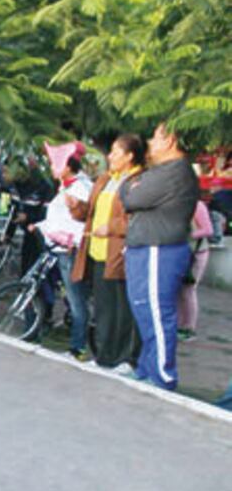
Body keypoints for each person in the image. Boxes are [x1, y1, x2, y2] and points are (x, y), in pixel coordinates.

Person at [119, 122, 200, 389]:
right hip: (147, 248)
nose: (150, 143)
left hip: (159, 249)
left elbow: (131, 198)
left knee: (157, 312)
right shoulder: (163, 171)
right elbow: (132, 193)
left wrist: (131, 185)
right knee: (144, 310)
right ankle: (146, 366)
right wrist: (133, 186)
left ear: (170, 141)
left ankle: (163, 376)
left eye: (155, 138)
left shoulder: (175, 173)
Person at [71, 134, 144, 371]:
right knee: (103, 309)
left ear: (130, 156)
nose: (110, 156)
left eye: (115, 152)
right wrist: (78, 208)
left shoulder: (138, 182)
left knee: (122, 310)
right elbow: (92, 213)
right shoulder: (105, 179)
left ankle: (125, 358)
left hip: (120, 256)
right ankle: (104, 355)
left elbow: (137, 220)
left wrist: (110, 228)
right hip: (97, 252)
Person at [34, 146, 92, 358]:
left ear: (67, 166)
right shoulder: (67, 186)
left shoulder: (80, 188)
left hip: (70, 251)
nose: (51, 167)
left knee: (77, 302)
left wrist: (70, 239)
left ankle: (78, 348)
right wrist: (40, 225)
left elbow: (82, 222)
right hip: (59, 249)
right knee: (72, 298)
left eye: (54, 163)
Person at [177, 199, 213, 341]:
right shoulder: (175, 203)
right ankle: (179, 324)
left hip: (195, 253)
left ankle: (188, 328)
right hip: (181, 253)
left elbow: (208, 229)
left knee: (188, 291)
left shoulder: (197, 205)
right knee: (178, 292)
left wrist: (187, 234)